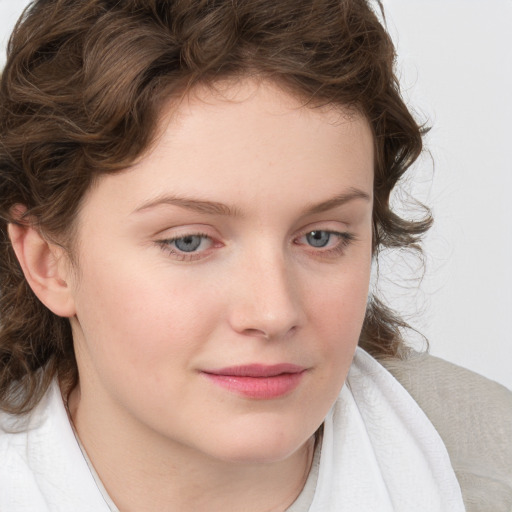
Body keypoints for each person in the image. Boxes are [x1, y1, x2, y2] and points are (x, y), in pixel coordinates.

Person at [0, 0, 510, 511]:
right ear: (49, 262)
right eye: (189, 242)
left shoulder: (492, 466)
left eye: (321, 237)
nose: (274, 312)